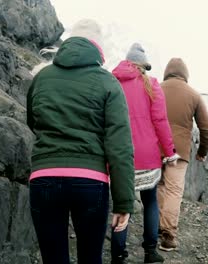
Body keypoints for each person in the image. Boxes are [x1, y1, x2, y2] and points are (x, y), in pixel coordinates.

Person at [26, 19, 135, 264]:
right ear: (99, 49)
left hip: (44, 178)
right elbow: (119, 148)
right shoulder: (108, 83)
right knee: (90, 258)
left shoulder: (42, 78)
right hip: (90, 182)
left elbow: (33, 121)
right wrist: (123, 202)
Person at [110, 43, 179, 264]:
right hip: (148, 156)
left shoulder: (112, 83)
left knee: (122, 203)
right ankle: (150, 252)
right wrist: (170, 152)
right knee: (150, 202)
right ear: (142, 66)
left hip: (120, 155)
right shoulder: (151, 85)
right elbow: (160, 121)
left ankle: (118, 255)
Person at [157, 58, 208, 251]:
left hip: (155, 148)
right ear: (185, 74)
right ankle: (168, 235)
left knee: (159, 186)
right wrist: (202, 152)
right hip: (178, 152)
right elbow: (206, 129)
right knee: (173, 190)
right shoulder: (194, 95)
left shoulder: (156, 88)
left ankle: (158, 225)